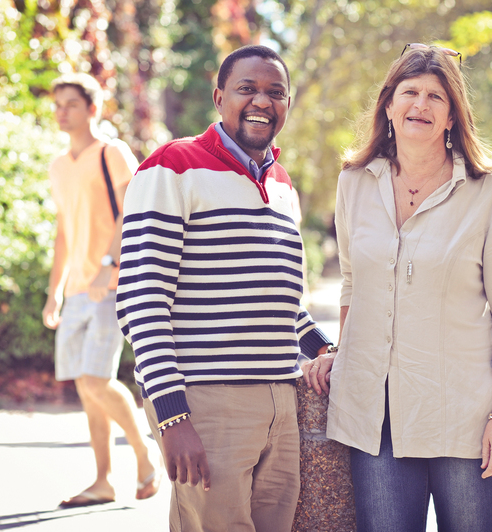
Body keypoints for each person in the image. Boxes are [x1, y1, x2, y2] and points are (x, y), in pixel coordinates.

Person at [303, 43, 492, 531]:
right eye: (409, 92)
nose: (421, 105)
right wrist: (341, 351)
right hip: (377, 419)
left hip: (467, 418)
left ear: (453, 116)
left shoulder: (490, 195)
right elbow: (354, 285)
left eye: (436, 97)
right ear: (388, 106)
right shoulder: (353, 182)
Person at [116, 45, 333, 532]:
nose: (262, 101)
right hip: (206, 400)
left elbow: (279, 301)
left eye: (275, 92)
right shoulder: (172, 165)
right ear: (219, 97)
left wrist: (324, 346)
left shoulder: (281, 184)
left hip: (281, 399)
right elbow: (141, 299)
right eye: (247, 89)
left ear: (288, 104)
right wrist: (172, 417)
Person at [42, 73, 160, 507]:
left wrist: (108, 265)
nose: (62, 112)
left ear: (92, 108)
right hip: (75, 289)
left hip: (111, 283)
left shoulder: (113, 153)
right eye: (58, 104)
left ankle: (146, 454)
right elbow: (64, 231)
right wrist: (55, 290)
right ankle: (103, 481)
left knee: (96, 379)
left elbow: (133, 212)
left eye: (71, 104)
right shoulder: (58, 166)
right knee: (86, 388)